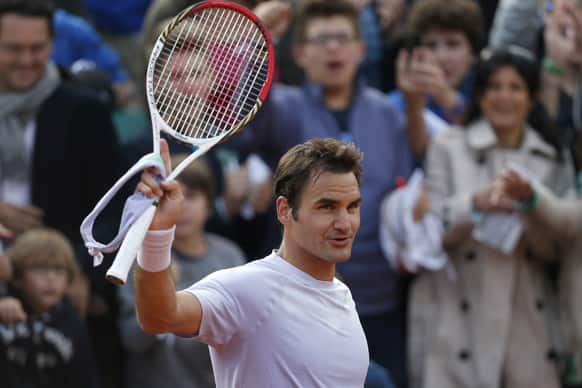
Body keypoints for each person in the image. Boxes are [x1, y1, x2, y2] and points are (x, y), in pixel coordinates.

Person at [249, 1, 413, 385]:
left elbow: (402, 193)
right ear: (300, 54)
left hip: (379, 296)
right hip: (298, 301)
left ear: (362, 48)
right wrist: (262, 42)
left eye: (342, 38)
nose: (333, 49)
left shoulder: (387, 113)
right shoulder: (283, 107)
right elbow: (251, 112)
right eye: (321, 40)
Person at [132, 137, 368, 387]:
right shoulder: (247, 288)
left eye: (352, 207)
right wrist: (156, 235)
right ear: (284, 210)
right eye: (327, 207)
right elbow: (158, 318)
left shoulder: (343, 295)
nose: (345, 223)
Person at [409, 47, 576, 388]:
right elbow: (431, 229)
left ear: (530, 99)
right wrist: (475, 204)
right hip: (456, 316)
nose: (504, 97)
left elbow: (559, 249)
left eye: (515, 88)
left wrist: (532, 204)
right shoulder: (447, 145)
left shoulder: (554, 156)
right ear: (481, 96)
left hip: (529, 320)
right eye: (494, 87)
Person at [0, 1, 126, 386]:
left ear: (53, 44)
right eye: (12, 49)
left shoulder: (83, 110)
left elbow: (111, 205)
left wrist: (80, 271)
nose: (26, 60)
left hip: (62, 264)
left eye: (37, 48)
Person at [118, 154, 245, 388]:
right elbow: (132, 339)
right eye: (171, 196)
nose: (182, 205)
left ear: (209, 204)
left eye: (192, 196)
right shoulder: (140, 260)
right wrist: (158, 289)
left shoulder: (230, 255)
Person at [0, 228, 101, 388]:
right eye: (39, 268)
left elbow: (85, 377)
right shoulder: (5, 309)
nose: (51, 278)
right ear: (18, 276)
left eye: (59, 270)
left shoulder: (72, 320)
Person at [390, 0, 484, 159]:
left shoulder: (490, 96)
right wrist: (413, 107)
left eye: (453, 44)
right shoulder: (394, 105)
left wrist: (448, 99)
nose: (441, 57)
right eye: (431, 45)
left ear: (473, 54)